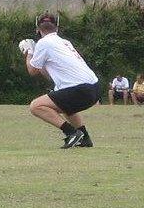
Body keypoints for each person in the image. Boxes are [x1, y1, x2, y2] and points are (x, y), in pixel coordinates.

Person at [19, 13, 99, 148]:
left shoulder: (43, 43)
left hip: (79, 89)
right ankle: (85, 138)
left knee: (36, 106)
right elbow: (47, 73)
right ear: (56, 28)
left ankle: (72, 133)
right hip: (94, 88)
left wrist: (28, 52)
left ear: (37, 29)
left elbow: (32, 71)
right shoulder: (64, 42)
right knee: (66, 105)